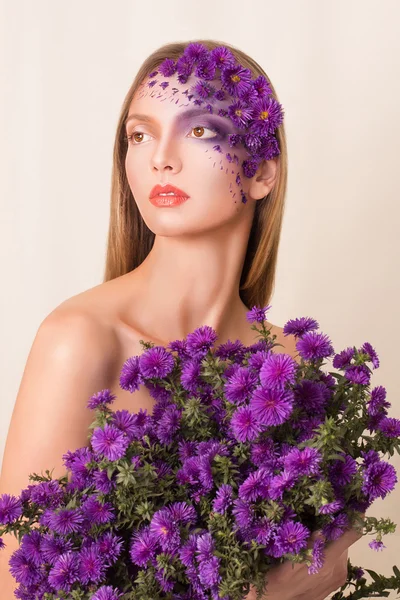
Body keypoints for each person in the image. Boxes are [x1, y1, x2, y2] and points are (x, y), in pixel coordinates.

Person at [0, 39, 361, 599]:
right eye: (139, 134)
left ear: (263, 172)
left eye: (199, 131)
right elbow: (12, 585)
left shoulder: (291, 369)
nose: (159, 157)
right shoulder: (82, 340)